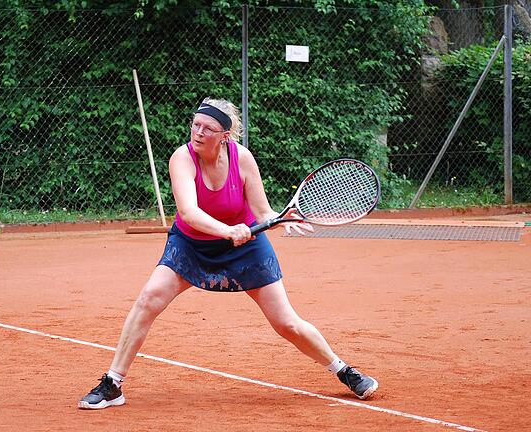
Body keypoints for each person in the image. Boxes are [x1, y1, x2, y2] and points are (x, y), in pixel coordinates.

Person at [78, 97, 378, 409]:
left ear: (225, 135)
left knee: (286, 322)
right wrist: (227, 230)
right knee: (149, 298)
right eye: (195, 124)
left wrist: (278, 221)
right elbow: (189, 212)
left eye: (207, 128)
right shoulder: (181, 158)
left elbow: (262, 211)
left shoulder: (243, 159)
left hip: (246, 249)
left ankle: (344, 370)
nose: (197, 132)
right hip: (191, 245)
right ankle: (113, 383)